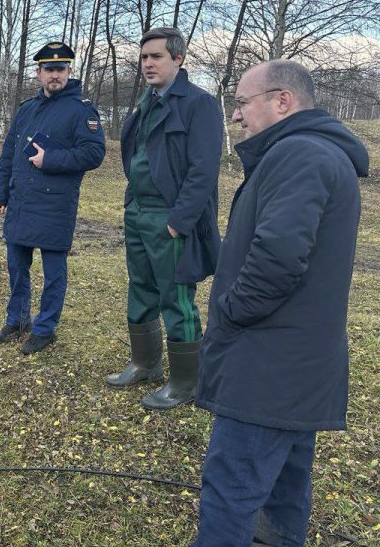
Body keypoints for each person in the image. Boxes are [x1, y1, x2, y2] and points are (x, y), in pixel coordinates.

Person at [194, 60, 368, 546]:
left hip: (269, 367)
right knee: (284, 487)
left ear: (282, 101)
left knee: (231, 489)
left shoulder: (299, 155)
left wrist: (230, 311)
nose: (235, 116)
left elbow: (278, 258)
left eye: (242, 103)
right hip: (297, 365)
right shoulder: (314, 152)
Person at [106, 27, 223, 409]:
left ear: (179, 58)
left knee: (176, 297)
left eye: (156, 56)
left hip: (169, 217)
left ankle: (186, 383)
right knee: (140, 287)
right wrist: (131, 203)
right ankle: (145, 363)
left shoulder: (199, 104)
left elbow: (204, 171)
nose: (148, 63)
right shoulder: (146, 102)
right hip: (138, 211)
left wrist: (179, 221)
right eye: (144, 57)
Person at [0, 41, 105, 355]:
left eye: (61, 69)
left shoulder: (82, 110)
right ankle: (18, 320)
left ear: (69, 71)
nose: (55, 75)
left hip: (55, 204)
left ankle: (45, 329)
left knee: (53, 272)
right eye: (49, 69)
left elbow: (94, 153)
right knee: (16, 266)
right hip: (21, 201)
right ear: (38, 73)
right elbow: (9, 153)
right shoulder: (26, 109)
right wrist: (0, 193)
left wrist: (50, 159)